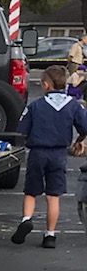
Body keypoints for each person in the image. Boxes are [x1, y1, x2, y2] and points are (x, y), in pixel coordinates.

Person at [11, 63, 87, 249]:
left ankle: (26, 219)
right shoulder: (73, 106)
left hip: (37, 152)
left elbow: (22, 131)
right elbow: (84, 127)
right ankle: (50, 235)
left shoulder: (36, 106)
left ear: (45, 85)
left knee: (31, 191)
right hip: (59, 154)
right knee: (53, 196)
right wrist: (80, 141)